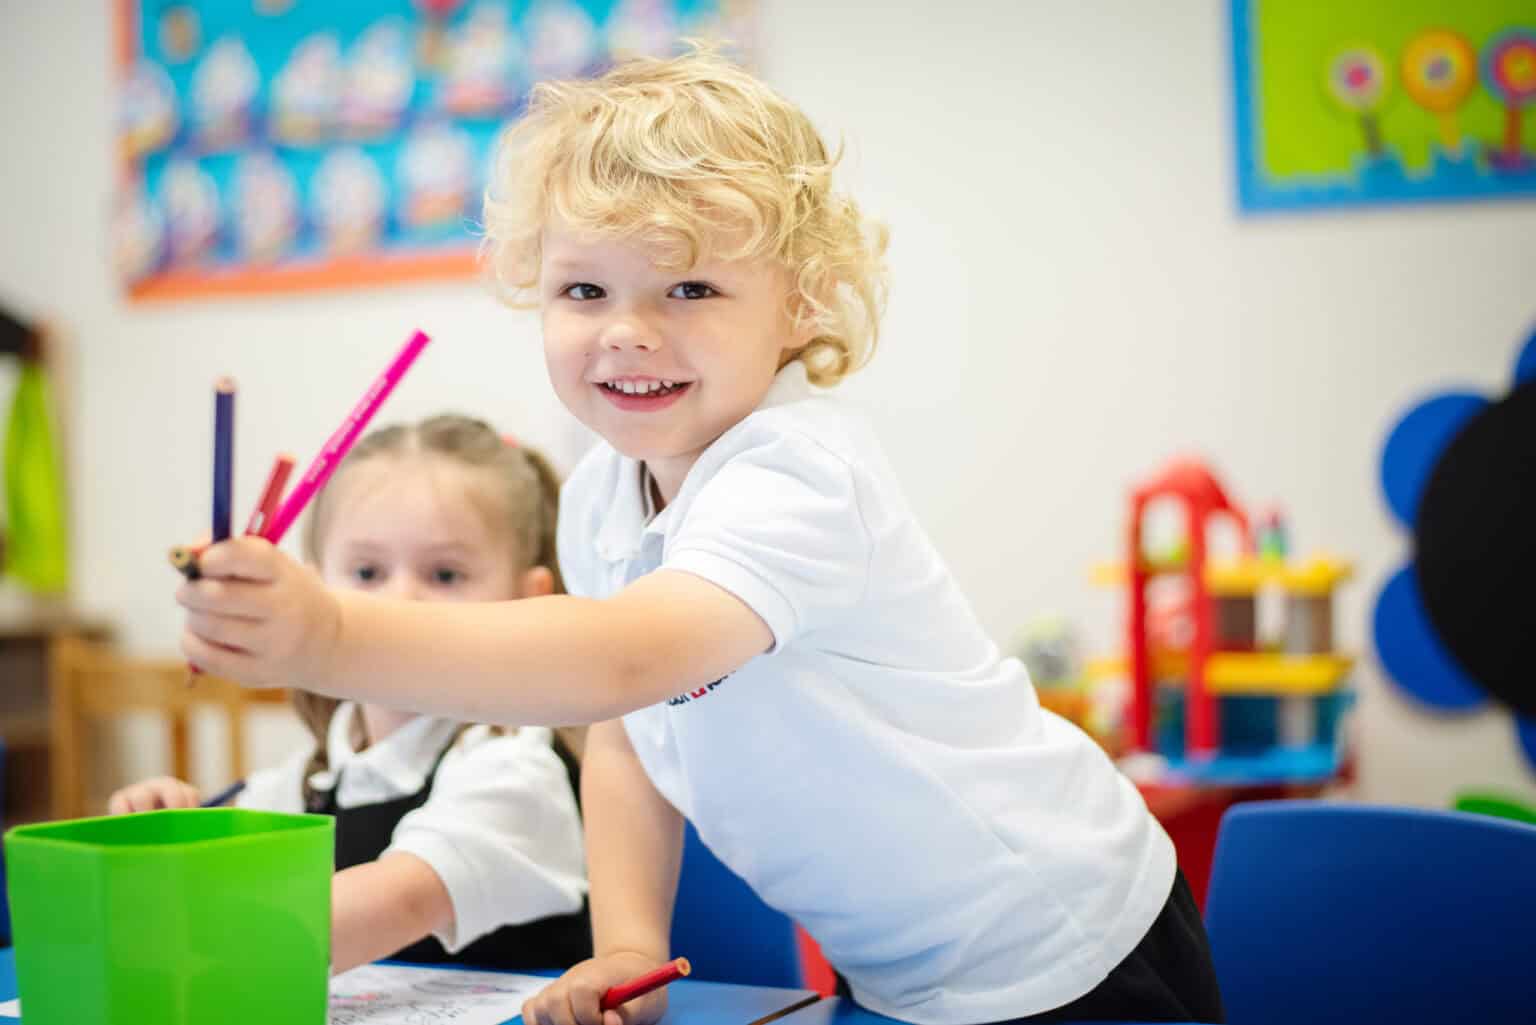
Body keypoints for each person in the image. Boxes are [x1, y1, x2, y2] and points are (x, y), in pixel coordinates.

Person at [175, 49, 1224, 1024]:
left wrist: (329, 633)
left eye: (690, 287)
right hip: (901, 967)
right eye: (585, 288)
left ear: (801, 304)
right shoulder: (599, 498)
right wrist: (625, 942)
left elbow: (622, 659)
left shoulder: (797, 473)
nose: (629, 328)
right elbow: (627, 728)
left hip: (1066, 938)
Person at [123, 414, 590, 975]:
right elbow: (212, 879)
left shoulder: (513, 767)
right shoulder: (312, 776)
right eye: (368, 572)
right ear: (315, 592)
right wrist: (165, 831)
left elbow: (396, 902)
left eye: (445, 575)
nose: (398, 602)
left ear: (528, 598)